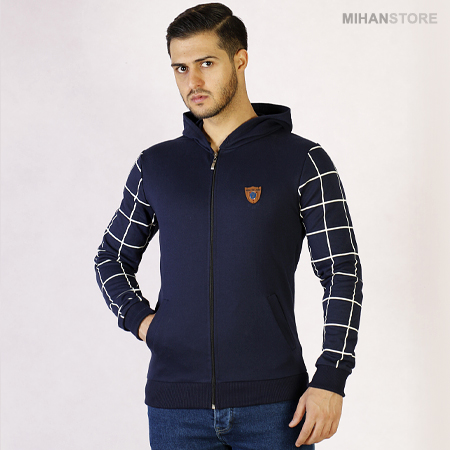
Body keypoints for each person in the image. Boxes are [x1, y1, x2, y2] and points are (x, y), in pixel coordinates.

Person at [94, 3, 363, 449]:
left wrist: (331, 378)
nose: (193, 82)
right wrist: (143, 322)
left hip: (276, 407)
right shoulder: (156, 165)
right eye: (180, 68)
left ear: (240, 59)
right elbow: (111, 258)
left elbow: (342, 272)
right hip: (176, 408)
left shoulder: (303, 160)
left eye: (206, 63)